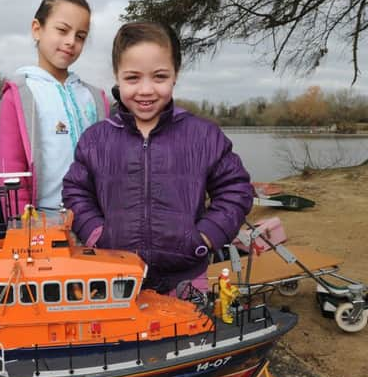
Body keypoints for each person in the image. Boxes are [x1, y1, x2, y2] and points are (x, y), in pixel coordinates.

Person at [62, 21, 254, 295]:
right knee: (121, 338)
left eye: (159, 77)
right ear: (117, 76)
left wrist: (206, 236)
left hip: (187, 276)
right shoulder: (95, 140)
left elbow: (236, 189)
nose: (146, 90)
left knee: (188, 335)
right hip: (114, 276)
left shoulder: (203, 135)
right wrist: (95, 234)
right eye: (132, 78)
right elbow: (75, 191)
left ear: (175, 75)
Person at [0, 0, 110, 217]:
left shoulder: (96, 98)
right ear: (37, 29)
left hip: (95, 221)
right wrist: (21, 225)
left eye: (80, 36)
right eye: (62, 30)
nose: (71, 42)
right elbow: (11, 170)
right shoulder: (19, 94)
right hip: (40, 223)